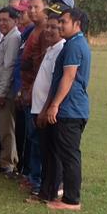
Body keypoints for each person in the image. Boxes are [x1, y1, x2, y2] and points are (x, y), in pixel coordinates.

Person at [35, 7, 92, 211]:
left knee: (69, 155)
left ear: (77, 24)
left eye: (64, 22)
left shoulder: (74, 46)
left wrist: (55, 105)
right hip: (70, 108)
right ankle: (58, 194)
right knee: (62, 153)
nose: (60, 25)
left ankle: (71, 200)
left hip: (71, 109)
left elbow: (68, 77)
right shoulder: (72, 44)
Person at [23, 11, 67, 195]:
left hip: (45, 109)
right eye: (47, 26)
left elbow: (55, 83)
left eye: (53, 27)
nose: (48, 30)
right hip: (36, 106)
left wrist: (46, 109)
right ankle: (36, 181)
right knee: (36, 145)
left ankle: (45, 185)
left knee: (46, 150)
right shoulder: (50, 49)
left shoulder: (61, 50)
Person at [0, 7, 23, 174]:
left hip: (5, 93)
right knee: (3, 128)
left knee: (7, 128)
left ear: (15, 21)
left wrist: (1, 93)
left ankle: (8, 163)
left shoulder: (13, 38)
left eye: (5, 20)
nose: (1, 23)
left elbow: (8, 67)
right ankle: (5, 161)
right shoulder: (6, 37)